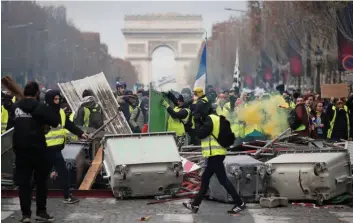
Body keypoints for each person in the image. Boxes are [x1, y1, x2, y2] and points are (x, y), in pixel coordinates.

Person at [7, 82, 60, 223]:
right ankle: (41, 212)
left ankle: (25, 215)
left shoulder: (15, 107)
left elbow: (10, 127)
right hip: (38, 149)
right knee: (41, 181)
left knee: (24, 183)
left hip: (21, 150)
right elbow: (55, 122)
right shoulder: (40, 107)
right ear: (37, 93)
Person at [182, 103, 245, 214]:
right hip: (215, 155)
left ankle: (240, 203)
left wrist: (196, 122)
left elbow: (201, 134)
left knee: (222, 180)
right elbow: (202, 133)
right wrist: (191, 128)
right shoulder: (214, 119)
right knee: (206, 180)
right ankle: (195, 205)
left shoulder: (211, 119)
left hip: (215, 155)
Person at [44, 90, 89, 204]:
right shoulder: (44, 112)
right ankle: (67, 196)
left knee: (43, 172)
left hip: (56, 147)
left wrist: (80, 133)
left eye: (58, 99)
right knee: (63, 172)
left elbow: (69, 125)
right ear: (49, 100)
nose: (58, 101)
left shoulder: (61, 112)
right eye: (55, 99)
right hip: (48, 147)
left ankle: (37, 194)